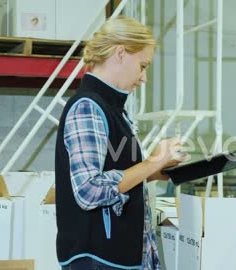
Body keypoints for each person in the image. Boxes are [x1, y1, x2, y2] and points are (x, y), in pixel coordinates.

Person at [55, 16, 184, 270]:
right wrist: (152, 161)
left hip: (118, 257)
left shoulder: (113, 111)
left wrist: (154, 172)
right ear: (121, 54)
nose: (144, 78)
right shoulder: (87, 108)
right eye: (142, 65)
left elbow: (115, 178)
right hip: (100, 258)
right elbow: (88, 191)